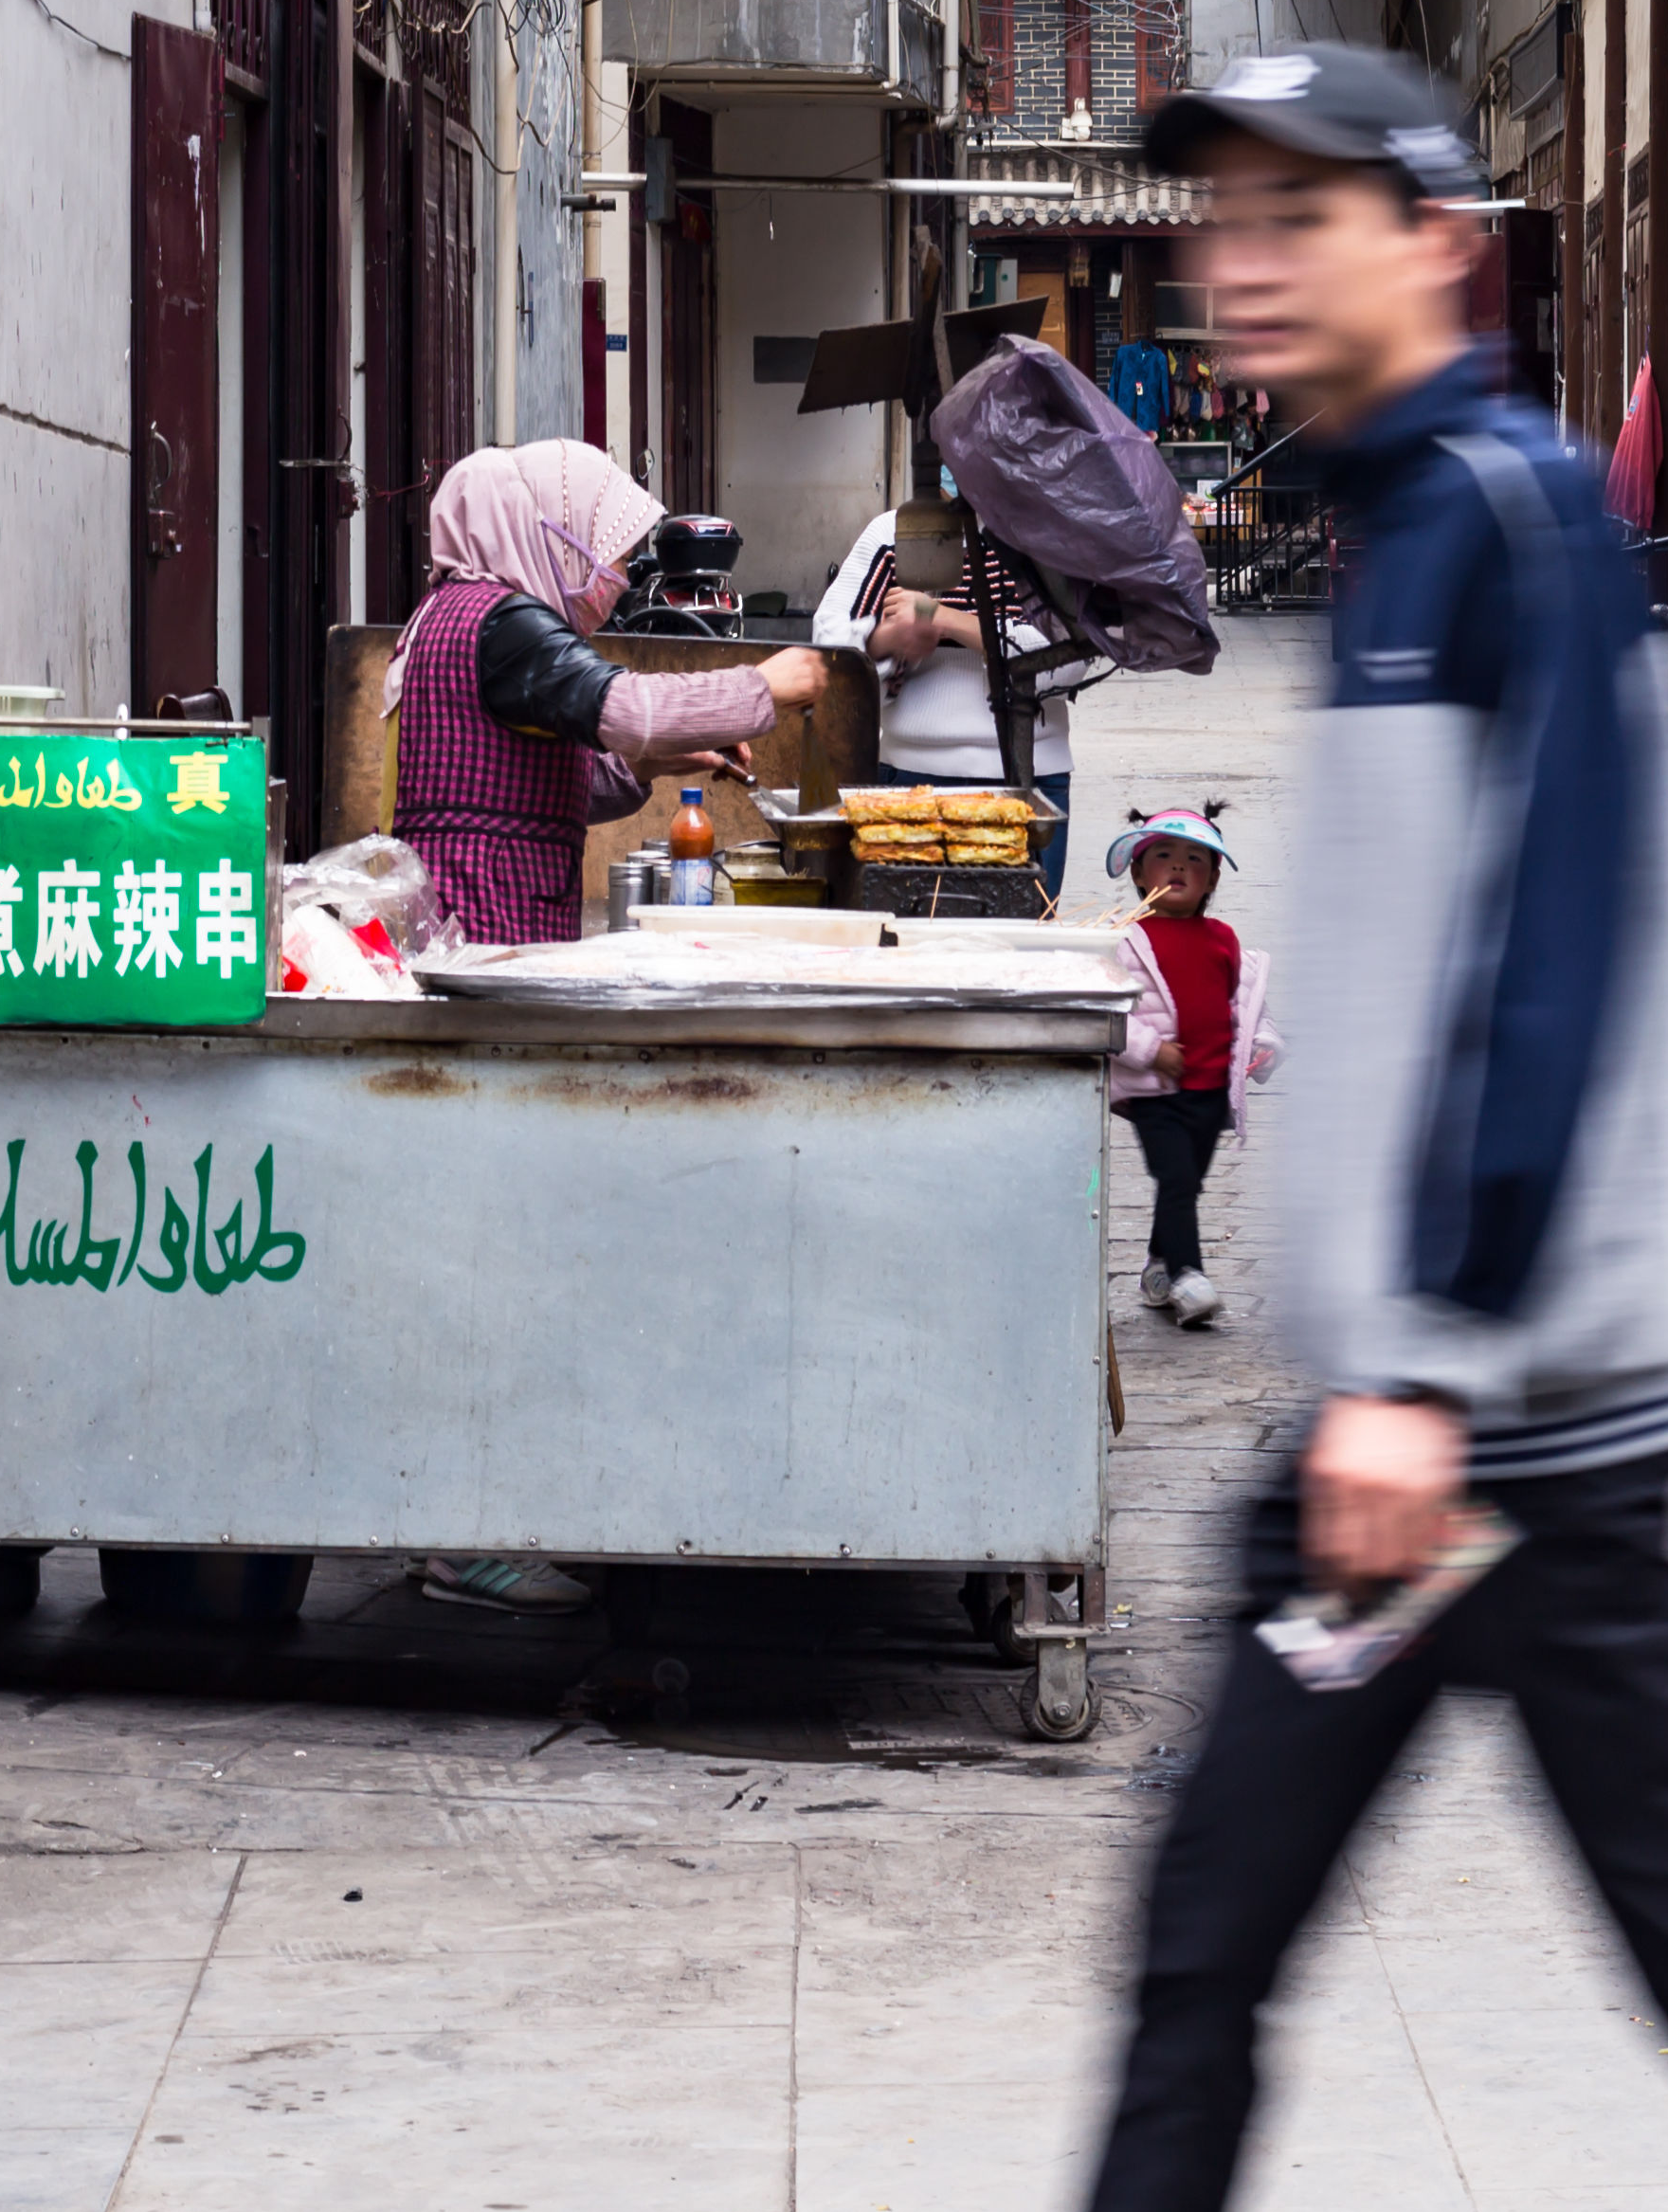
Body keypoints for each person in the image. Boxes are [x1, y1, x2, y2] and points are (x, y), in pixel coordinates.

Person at [875, 45, 1668, 2212]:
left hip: (1487, 1450)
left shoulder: (1507, 521)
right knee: (1277, 1954)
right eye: (1221, 218)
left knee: (1655, 1966)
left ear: (1436, 243)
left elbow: (1562, 955)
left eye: (1301, 212)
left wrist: (1433, 1376)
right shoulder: (1412, 523)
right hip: (1446, 1434)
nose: (1243, 260)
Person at [387, 439, 825, 1616]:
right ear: (545, 529)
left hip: (474, 927)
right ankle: (462, 1531)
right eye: (608, 556)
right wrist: (765, 686)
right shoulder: (506, 621)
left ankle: (488, 1506)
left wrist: (667, 757)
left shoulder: (452, 620)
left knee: (493, 1230)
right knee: (493, 1237)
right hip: (480, 942)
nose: (610, 582)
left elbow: (566, 772)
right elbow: (619, 705)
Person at [815, 492, 1082, 894]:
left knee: (1023, 947)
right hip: (911, 780)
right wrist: (889, 638)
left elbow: (1066, 662)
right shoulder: (895, 533)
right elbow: (828, 647)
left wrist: (944, 619)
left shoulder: (1049, 537)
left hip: (1033, 784)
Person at [1097, 807, 1275, 1330]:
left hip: (1211, 1089)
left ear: (1213, 878)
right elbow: (1109, 1009)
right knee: (1175, 1178)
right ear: (1137, 873)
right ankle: (1187, 1274)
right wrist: (1151, 1050)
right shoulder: (1126, 941)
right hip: (1157, 1091)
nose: (1178, 868)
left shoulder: (1223, 939)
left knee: (1186, 1183)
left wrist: (1263, 1045)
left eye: (1194, 860)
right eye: (1164, 857)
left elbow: (1247, 1007)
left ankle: (1158, 1265)